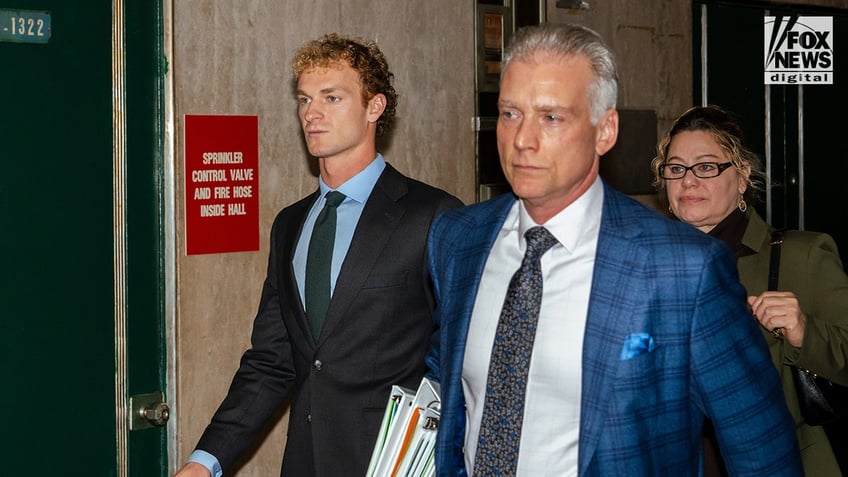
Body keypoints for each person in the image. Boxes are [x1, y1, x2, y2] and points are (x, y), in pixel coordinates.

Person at [425, 23, 802, 476]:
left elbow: (761, 451)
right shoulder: (457, 239)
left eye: (551, 117)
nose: (523, 139)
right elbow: (447, 386)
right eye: (510, 113)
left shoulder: (684, 270)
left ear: (605, 130)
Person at [175, 33, 463, 477]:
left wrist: (420, 451)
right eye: (305, 99)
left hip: (397, 464)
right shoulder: (290, 224)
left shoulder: (432, 215)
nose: (312, 112)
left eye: (332, 97)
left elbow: (460, 352)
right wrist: (205, 462)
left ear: (374, 107)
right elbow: (272, 361)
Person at [651, 104, 848, 476]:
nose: (688, 181)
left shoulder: (801, 256)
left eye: (706, 166)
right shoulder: (648, 266)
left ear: (741, 178)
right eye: (675, 168)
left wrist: (806, 332)